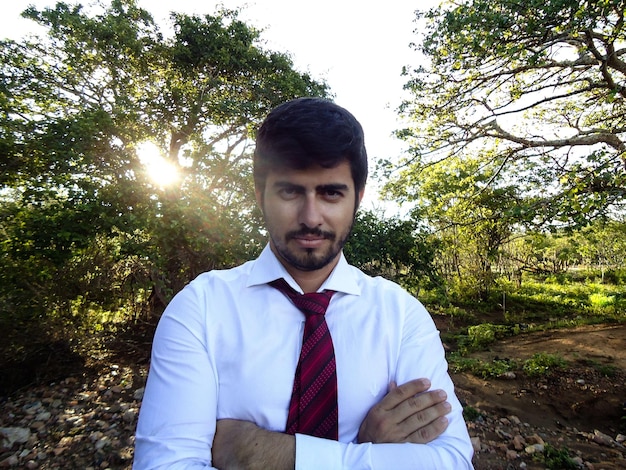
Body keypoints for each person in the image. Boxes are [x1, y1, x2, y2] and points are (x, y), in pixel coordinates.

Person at [133, 97, 474, 469]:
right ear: (260, 195)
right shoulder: (200, 308)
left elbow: (452, 460)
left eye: (331, 192)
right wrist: (368, 451)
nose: (311, 217)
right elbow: (164, 465)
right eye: (291, 191)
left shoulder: (401, 315)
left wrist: (254, 453)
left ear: (358, 197)